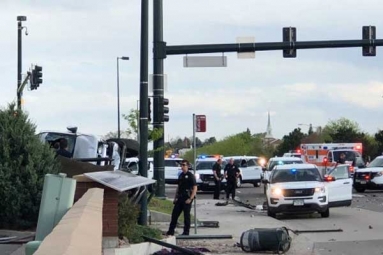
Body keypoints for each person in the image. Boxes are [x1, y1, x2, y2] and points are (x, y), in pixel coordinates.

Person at [167, 159, 197, 236]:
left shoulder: (190, 176)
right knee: (174, 215)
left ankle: (186, 232)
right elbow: (178, 187)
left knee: (186, 216)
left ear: (187, 166)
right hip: (180, 198)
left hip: (187, 198)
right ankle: (171, 231)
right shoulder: (181, 175)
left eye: (184, 165)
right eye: (181, 165)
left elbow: (195, 188)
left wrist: (190, 198)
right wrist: (175, 197)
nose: (182, 166)